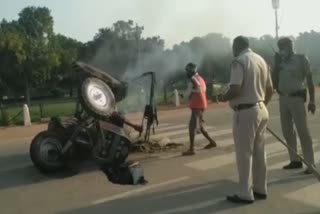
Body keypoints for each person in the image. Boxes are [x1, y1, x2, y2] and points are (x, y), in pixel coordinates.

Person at [217, 36, 273, 204]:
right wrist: (260, 105)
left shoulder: (239, 61)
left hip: (246, 112)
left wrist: (222, 97)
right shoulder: (260, 60)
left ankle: (245, 193)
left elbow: (235, 89)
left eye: (233, 47)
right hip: (261, 108)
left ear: (237, 46)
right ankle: (260, 188)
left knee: (244, 154)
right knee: (259, 153)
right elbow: (270, 89)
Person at [272, 37, 316, 174]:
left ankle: (310, 163)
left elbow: (309, 80)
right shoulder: (280, 62)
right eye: (284, 46)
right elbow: (273, 82)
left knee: (303, 131)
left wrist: (312, 100)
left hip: (297, 98)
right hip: (283, 99)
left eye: (289, 45)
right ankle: (295, 160)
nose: (288, 48)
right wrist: (276, 65)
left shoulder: (301, 59)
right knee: (287, 131)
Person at [182, 62, 217, 156]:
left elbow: (195, 87)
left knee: (192, 126)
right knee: (200, 126)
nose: (186, 73)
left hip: (197, 105)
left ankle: (191, 149)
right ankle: (212, 142)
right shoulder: (200, 78)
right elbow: (201, 89)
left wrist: (189, 93)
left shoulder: (193, 79)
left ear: (191, 71)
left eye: (187, 71)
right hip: (202, 104)